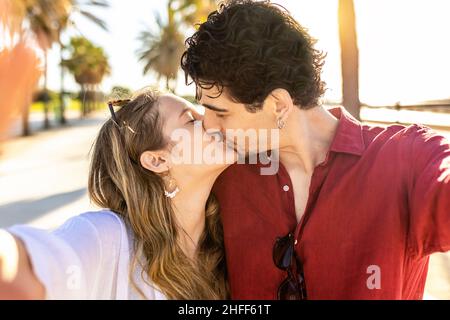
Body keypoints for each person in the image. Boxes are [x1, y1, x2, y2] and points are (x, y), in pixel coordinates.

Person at [181, 0, 450, 299]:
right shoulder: (223, 175)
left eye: (221, 113)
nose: (208, 126)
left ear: (279, 105)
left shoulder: (408, 157)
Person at [0, 88, 235, 299]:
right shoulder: (108, 239)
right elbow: (23, 266)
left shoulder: (228, 235)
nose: (211, 120)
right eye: (191, 120)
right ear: (158, 160)